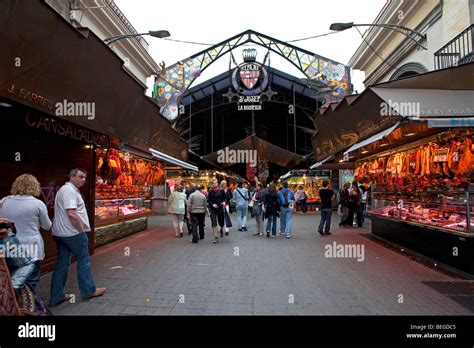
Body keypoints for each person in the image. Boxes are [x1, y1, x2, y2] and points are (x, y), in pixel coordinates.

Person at [49, 168, 106, 307]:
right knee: (83, 260)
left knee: (62, 263)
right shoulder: (69, 191)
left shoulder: (65, 190)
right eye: (80, 176)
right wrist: (81, 231)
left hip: (60, 233)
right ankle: (88, 290)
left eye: (85, 177)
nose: (83, 179)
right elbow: (72, 213)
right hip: (72, 233)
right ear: (72, 177)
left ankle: (56, 297)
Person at [0, 174, 52, 289]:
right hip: (31, 245)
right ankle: (28, 304)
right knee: (31, 279)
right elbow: (47, 226)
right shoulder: (38, 204)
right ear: (35, 186)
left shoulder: (4, 201)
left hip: (9, 245)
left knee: (12, 278)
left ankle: (13, 304)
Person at [207, 179, 225, 244]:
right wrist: (212, 204)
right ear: (212, 184)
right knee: (214, 223)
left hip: (220, 208)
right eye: (213, 183)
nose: (215, 184)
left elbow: (225, 198)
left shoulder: (221, 190)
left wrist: (224, 202)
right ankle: (215, 237)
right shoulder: (210, 191)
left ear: (217, 183)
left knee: (221, 222)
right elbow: (208, 200)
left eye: (216, 183)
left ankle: (221, 228)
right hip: (213, 209)